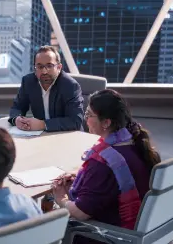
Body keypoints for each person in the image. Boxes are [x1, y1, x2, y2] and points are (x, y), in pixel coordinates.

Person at [51, 89, 160, 233]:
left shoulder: (102, 164)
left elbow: (79, 213)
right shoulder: (136, 145)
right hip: (140, 230)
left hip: (107, 235)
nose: (85, 119)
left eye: (89, 114)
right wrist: (82, 177)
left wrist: (60, 198)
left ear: (106, 122)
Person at [9, 45, 84, 132]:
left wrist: (43, 124)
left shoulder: (70, 86)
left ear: (59, 68)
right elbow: (17, 107)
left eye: (49, 66)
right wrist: (17, 119)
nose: (44, 71)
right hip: (40, 135)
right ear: (35, 68)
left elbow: (75, 121)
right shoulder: (28, 82)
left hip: (67, 135)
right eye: (40, 67)